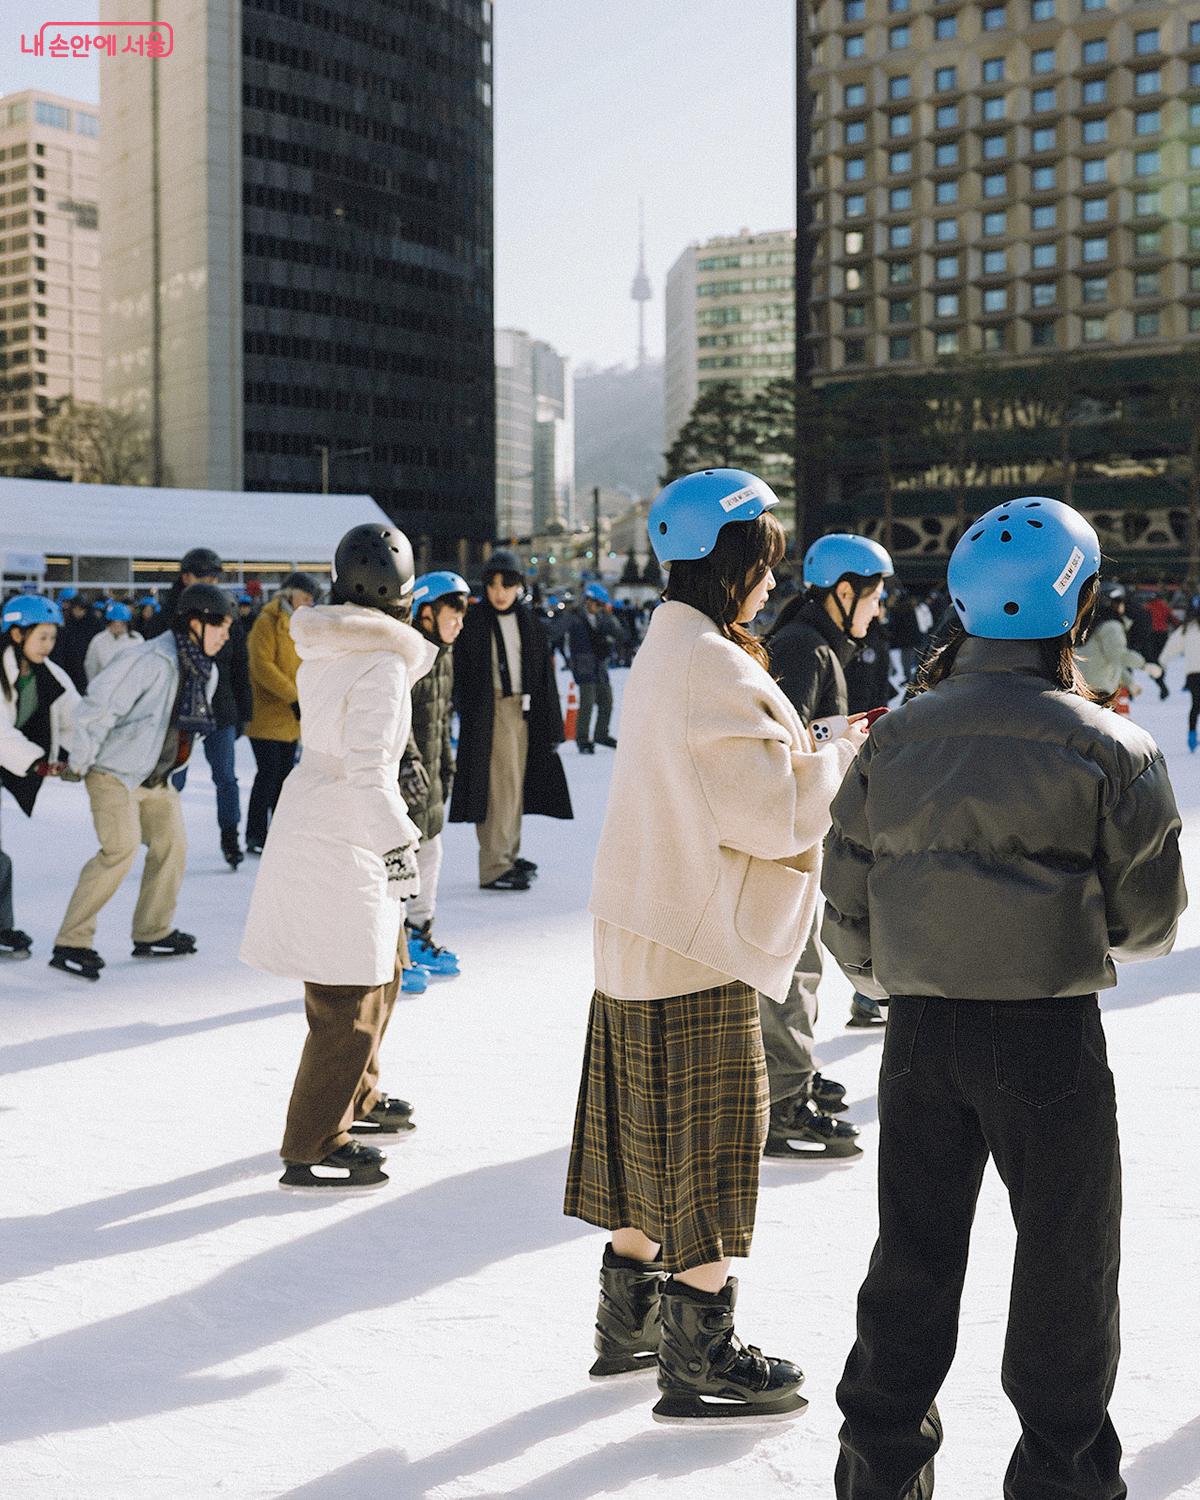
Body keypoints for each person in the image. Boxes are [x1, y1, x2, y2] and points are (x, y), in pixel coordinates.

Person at [823, 496, 1186, 1500]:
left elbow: (847, 912)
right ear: (1076, 610)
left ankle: (880, 1473)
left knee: (913, 1259)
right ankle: (1063, 1481)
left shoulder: (892, 739)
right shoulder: (1113, 747)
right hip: (1048, 1039)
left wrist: (908, 972)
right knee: (1067, 1272)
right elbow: (1152, 925)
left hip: (923, 1034)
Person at [565, 468, 867, 1423]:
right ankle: (700, 1352)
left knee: (636, 1138)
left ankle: (629, 1323)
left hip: (643, 923)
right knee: (708, 1146)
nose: (772, 582)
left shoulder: (675, 643)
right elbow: (775, 816)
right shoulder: (715, 666)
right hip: (695, 935)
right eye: (763, 562)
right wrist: (844, 755)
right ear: (729, 562)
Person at [240, 524, 436, 1191]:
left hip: (322, 813)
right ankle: (313, 1141)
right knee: (345, 992)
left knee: (381, 968)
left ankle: (359, 1096)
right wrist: (398, 849)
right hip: (345, 828)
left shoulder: (332, 645)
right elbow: (367, 770)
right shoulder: (381, 661)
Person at [762, 531, 895, 1150]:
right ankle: (782, 1100)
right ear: (844, 591)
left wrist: (848, 731)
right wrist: (847, 740)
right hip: (786, 834)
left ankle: (792, 1076)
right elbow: (780, 750)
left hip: (805, 829)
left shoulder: (816, 645)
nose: (879, 608)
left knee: (804, 957)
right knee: (795, 961)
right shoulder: (804, 648)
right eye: (874, 595)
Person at [49, 584, 231, 981]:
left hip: (157, 779)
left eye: (228, 626)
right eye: (219, 624)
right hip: (113, 772)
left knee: (173, 846)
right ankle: (71, 941)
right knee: (121, 849)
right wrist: (79, 762)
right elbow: (98, 708)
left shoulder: (206, 670)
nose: (225, 634)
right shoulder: (148, 658)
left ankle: (152, 931)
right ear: (193, 622)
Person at [449, 550, 572, 890]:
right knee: (497, 790)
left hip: (523, 711)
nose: (499, 592)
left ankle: (507, 855)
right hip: (491, 712)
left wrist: (552, 724)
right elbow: (461, 672)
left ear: (519, 586)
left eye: (507, 584)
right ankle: (493, 864)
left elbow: (543, 676)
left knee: (516, 787)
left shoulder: (527, 620)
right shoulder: (475, 622)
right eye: (493, 585)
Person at [146, 549, 255, 869]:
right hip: (178, 712)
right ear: (186, 578)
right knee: (172, 778)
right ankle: (164, 838)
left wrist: (243, 712)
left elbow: (239, 667)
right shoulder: (169, 616)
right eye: (205, 576)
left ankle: (230, 836)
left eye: (215, 577)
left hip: (219, 709)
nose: (212, 582)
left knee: (226, 777)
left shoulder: (226, 614)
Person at [0, 595, 79, 959]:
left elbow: (74, 720)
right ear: (16, 634)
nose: (49, 645)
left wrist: (83, 756)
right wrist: (37, 763)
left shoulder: (50, 674)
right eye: (41, 637)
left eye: (52, 637)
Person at [399, 571, 468, 980]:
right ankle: (393, 954)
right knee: (398, 865)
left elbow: (440, 719)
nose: (459, 622)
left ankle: (418, 934)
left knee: (431, 854)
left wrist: (445, 762)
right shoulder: (408, 654)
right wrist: (409, 761)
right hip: (403, 777)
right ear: (426, 612)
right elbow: (396, 714)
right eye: (452, 613)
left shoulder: (443, 653)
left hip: (431, 776)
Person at [244, 573, 319, 855]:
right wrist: (294, 696)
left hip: (291, 715)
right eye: (304, 598)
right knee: (268, 773)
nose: (308, 603)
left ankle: (279, 833)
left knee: (285, 777)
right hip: (267, 713)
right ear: (289, 594)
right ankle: (255, 834)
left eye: (311, 600)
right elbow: (262, 666)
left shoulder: (301, 625)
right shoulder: (267, 622)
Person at [1075, 583, 1164, 707]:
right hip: (1099, 689)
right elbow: (1118, 655)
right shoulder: (1111, 626)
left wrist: (1129, 683)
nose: (1124, 607)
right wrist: (1145, 665)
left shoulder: (1092, 623)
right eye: (1121, 602)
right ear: (1114, 603)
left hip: (1085, 685)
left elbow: (1109, 660)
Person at [565, 582, 618, 753]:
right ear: (588, 600)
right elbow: (554, 630)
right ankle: (582, 739)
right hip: (583, 666)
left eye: (602, 605)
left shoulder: (604, 618)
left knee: (607, 701)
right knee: (587, 703)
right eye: (597, 604)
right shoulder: (574, 617)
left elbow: (621, 634)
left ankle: (601, 734)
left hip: (600, 666)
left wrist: (610, 617)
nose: (599, 607)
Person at [1158, 595, 1200, 750]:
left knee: (1195, 705)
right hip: (1194, 673)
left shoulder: (1187, 628)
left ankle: (1192, 734)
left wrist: (1163, 661)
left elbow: (1172, 645)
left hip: (1193, 674)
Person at [53, 592, 104, 693]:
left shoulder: (94, 624)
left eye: (81, 609)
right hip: (71, 667)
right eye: (75, 609)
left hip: (89, 665)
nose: (78, 612)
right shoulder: (68, 624)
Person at [84, 601, 142, 684]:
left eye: (121, 624)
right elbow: (91, 666)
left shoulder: (136, 640)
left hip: (129, 687)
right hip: (104, 687)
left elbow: (142, 666)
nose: (117, 627)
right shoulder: (99, 640)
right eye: (114, 624)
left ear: (126, 623)